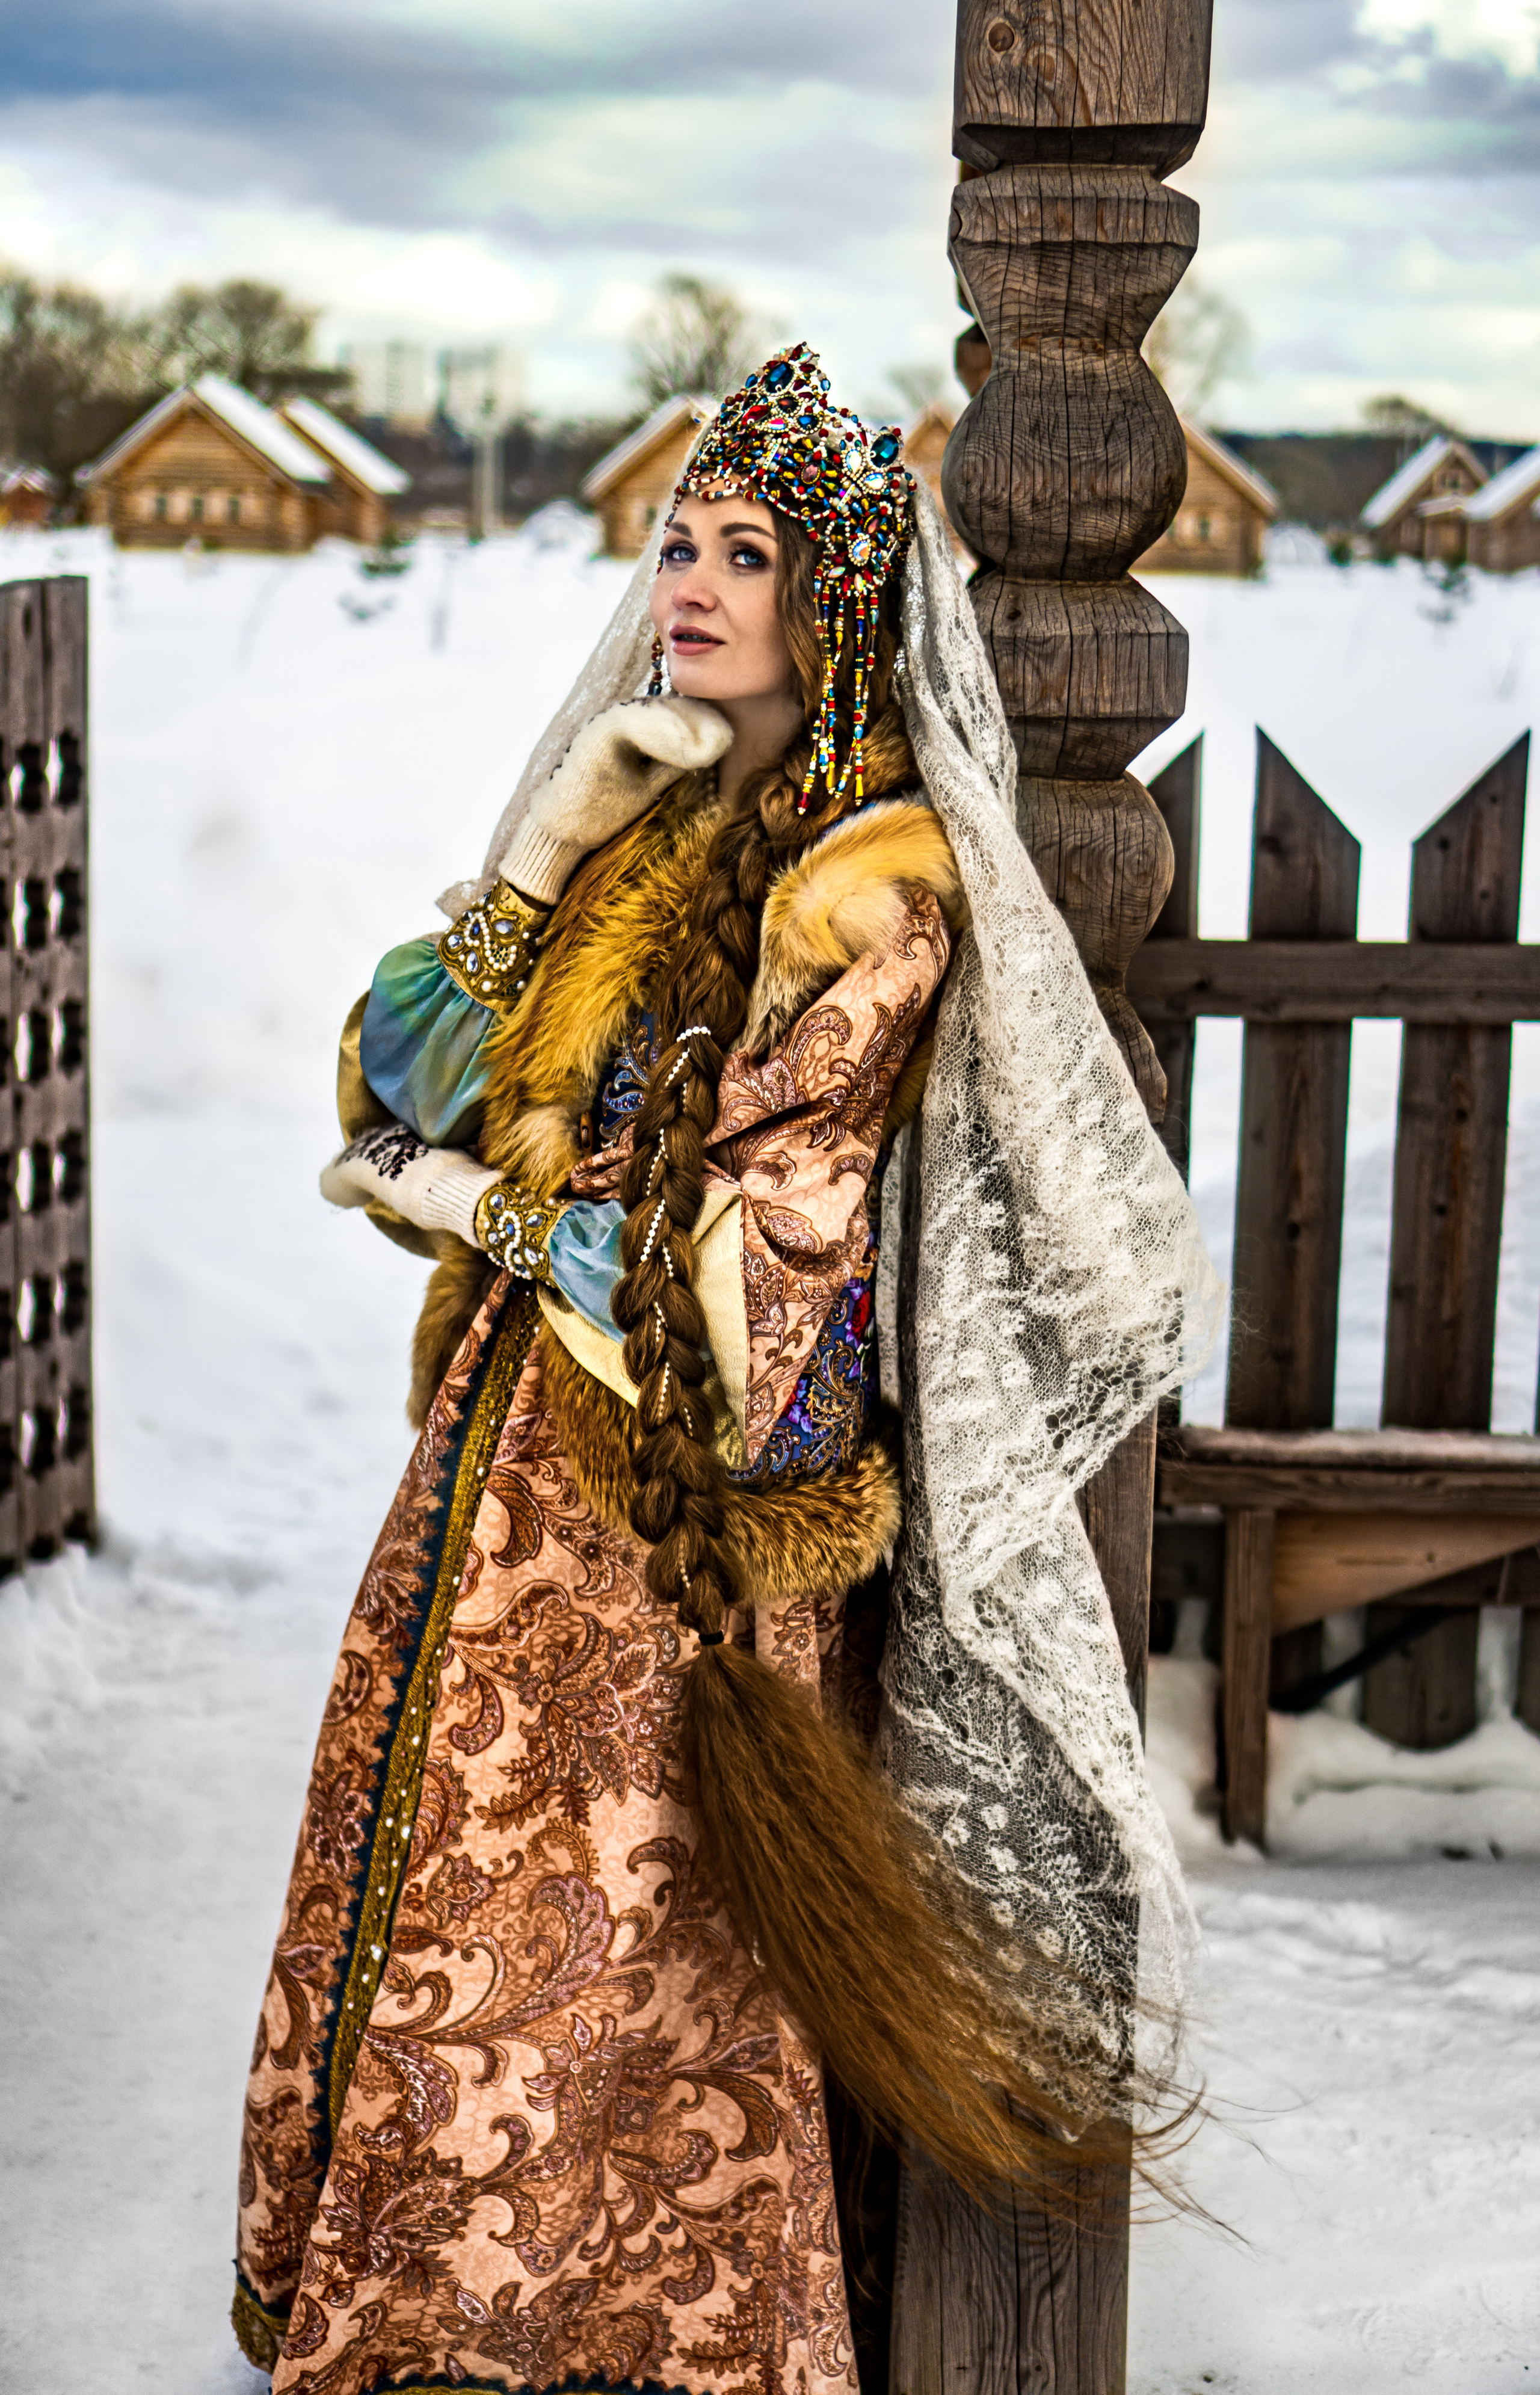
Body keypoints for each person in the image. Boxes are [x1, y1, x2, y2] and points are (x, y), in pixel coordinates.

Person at [232, 345, 1218, 2395]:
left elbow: (784, 1246)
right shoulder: (643, 830)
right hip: (511, 1477)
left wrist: (489, 1215)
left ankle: (644, 2330)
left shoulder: (882, 899)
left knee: (641, 1933)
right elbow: (392, 1065)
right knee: (454, 1878)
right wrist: (537, 863)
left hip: (687, 1511)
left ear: (839, 600)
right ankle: (426, 2307)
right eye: (678, 539)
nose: (689, 581)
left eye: (746, 552)